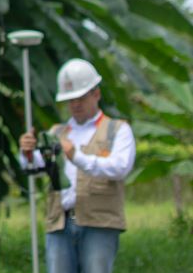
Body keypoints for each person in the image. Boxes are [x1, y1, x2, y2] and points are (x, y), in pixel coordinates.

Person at [18, 58, 136, 273]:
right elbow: (35, 166)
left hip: (99, 223)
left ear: (96, 94)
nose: (75, 104)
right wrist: (26, 153)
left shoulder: (118, 129)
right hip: (60, 221)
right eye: (70, 99)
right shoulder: (56, 132)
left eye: (80, 97)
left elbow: (120, 168)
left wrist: (76, 155)